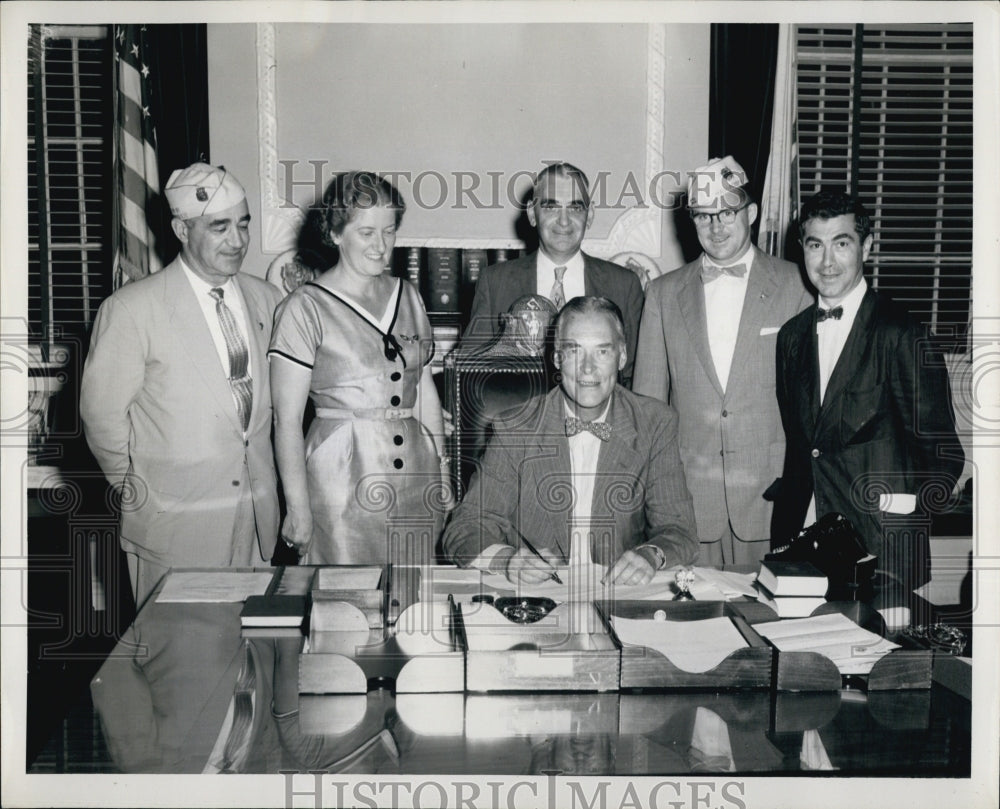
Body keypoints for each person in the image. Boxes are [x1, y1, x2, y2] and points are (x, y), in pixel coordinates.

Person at [80, 163, 282, 608]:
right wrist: (142, 493)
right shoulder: (132, 309)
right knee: (178, 650)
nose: (238, 241)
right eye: (220, 227)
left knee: (255, 645)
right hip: (174, 527)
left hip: (256, 520)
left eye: (244, 224)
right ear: (181, 230)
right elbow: (101, 419)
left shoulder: (267, 299)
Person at [772, 190, 964, 590]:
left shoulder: (902, 333)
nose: (827, 262)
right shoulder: (791, 336)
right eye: (815, 245)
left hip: (882, 551)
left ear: (867, 247)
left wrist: (898, 505)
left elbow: (944, 455)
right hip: (804, 542)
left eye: (841, 244)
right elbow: (803, 445)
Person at [443, 296, 698, 586]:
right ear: (556, 358)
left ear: (622, 357)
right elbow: (464, 529)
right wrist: (508, 560)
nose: (588, 368)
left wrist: (650, 555)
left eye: (602, 351)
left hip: (620, 595)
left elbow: (679, 531)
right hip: (538, 597)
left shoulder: (655, 424)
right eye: (574, 351)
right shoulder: (516, 428)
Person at [632, 156, 812, 566]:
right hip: (690, 504)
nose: (715, 227)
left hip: (772, 500)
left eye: (727, 212)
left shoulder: (798, 286)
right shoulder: (662, 294)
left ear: (752, 212)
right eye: (703, 216)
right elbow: (648, 408)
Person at [269, 171, 449, 566]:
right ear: (336, 233)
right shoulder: (304, 307)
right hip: (340, 479)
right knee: (342, 595)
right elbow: (286, 421)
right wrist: (297, 508)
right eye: (366, 233)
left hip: (415, 476)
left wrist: (443, 469)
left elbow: (424, 393)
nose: (381, 245)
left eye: (389, 231)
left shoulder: (410, 296)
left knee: (414, 591)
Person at [465, 162, 645, 387]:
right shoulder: (495, 283)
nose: (564, 220)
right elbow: (470, 373)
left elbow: (636, 377)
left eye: (575, 208)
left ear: (590, 215)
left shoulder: (624, 285)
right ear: (532, 214)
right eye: (551, 207)